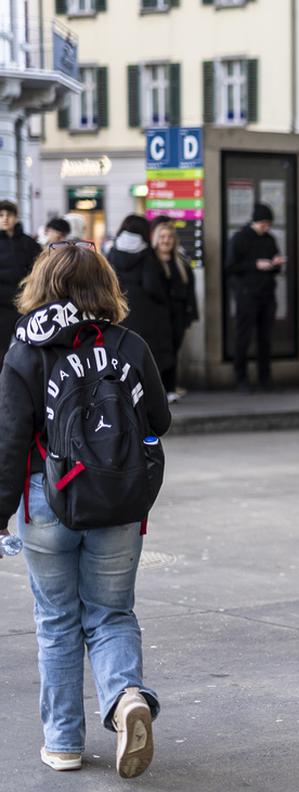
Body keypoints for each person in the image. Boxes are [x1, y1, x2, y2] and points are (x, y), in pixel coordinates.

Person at [0, 241, 171, 777]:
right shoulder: (130, 344)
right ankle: (125, 701)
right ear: (106, 286)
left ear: (43, 282)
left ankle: (64, 744)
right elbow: (159, 420)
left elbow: (9, 439)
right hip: (118, 500)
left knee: (56, 621)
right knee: (112, 613)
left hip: (46, 500)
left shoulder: (27, 349)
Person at [108, 216, 176, 397]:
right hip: (145, 312)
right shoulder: (146, 254)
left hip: (119, 309)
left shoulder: (113, 251)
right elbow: (151, 284)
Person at [226, 203, 285, 392]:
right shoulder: (240, 238)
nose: (266, 228)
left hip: (267, 293)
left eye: (268, 224)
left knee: (265, 337)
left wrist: (275, 264)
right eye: (263, 224)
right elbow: (231, 266)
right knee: (244, 336)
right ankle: (241, 377)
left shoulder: (270, 239)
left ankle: (265, 378)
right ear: (255, 221)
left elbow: (277, 267)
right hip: (246, 294)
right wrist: (255, 265)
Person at [151, 219, 198, 400]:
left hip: (177, 315)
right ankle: (160, 389)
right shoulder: (151, 262)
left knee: (173, 352)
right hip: (158, 317)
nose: (166, 240)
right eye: (162, 236)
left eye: (169, 236)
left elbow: (189, 290)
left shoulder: (181, 263)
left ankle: (170, 388)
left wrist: (189, 315)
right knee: (160, 353)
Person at [0, 199, 42, 335]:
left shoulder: (28, 243)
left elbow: (39, 269)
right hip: (2, 305)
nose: (5, 219)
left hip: (24, 302)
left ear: (16, 217)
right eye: (1, 215)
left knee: (27, 341)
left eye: (9, 215)